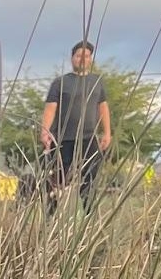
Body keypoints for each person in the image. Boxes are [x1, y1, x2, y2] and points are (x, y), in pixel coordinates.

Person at [41, 40, 112, 212]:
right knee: (57, 181)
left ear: (90, 59)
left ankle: (87, 222)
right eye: (79, 55)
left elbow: (103, 107)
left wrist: (107, 133)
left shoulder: (97, 82)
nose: (82, 59)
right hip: (63, 139)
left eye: (86, 56)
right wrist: (44, 132)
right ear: (72, 58)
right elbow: (50, 108)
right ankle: (51, 220)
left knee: (89, 181)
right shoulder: (60, 83)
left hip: (89, 139)